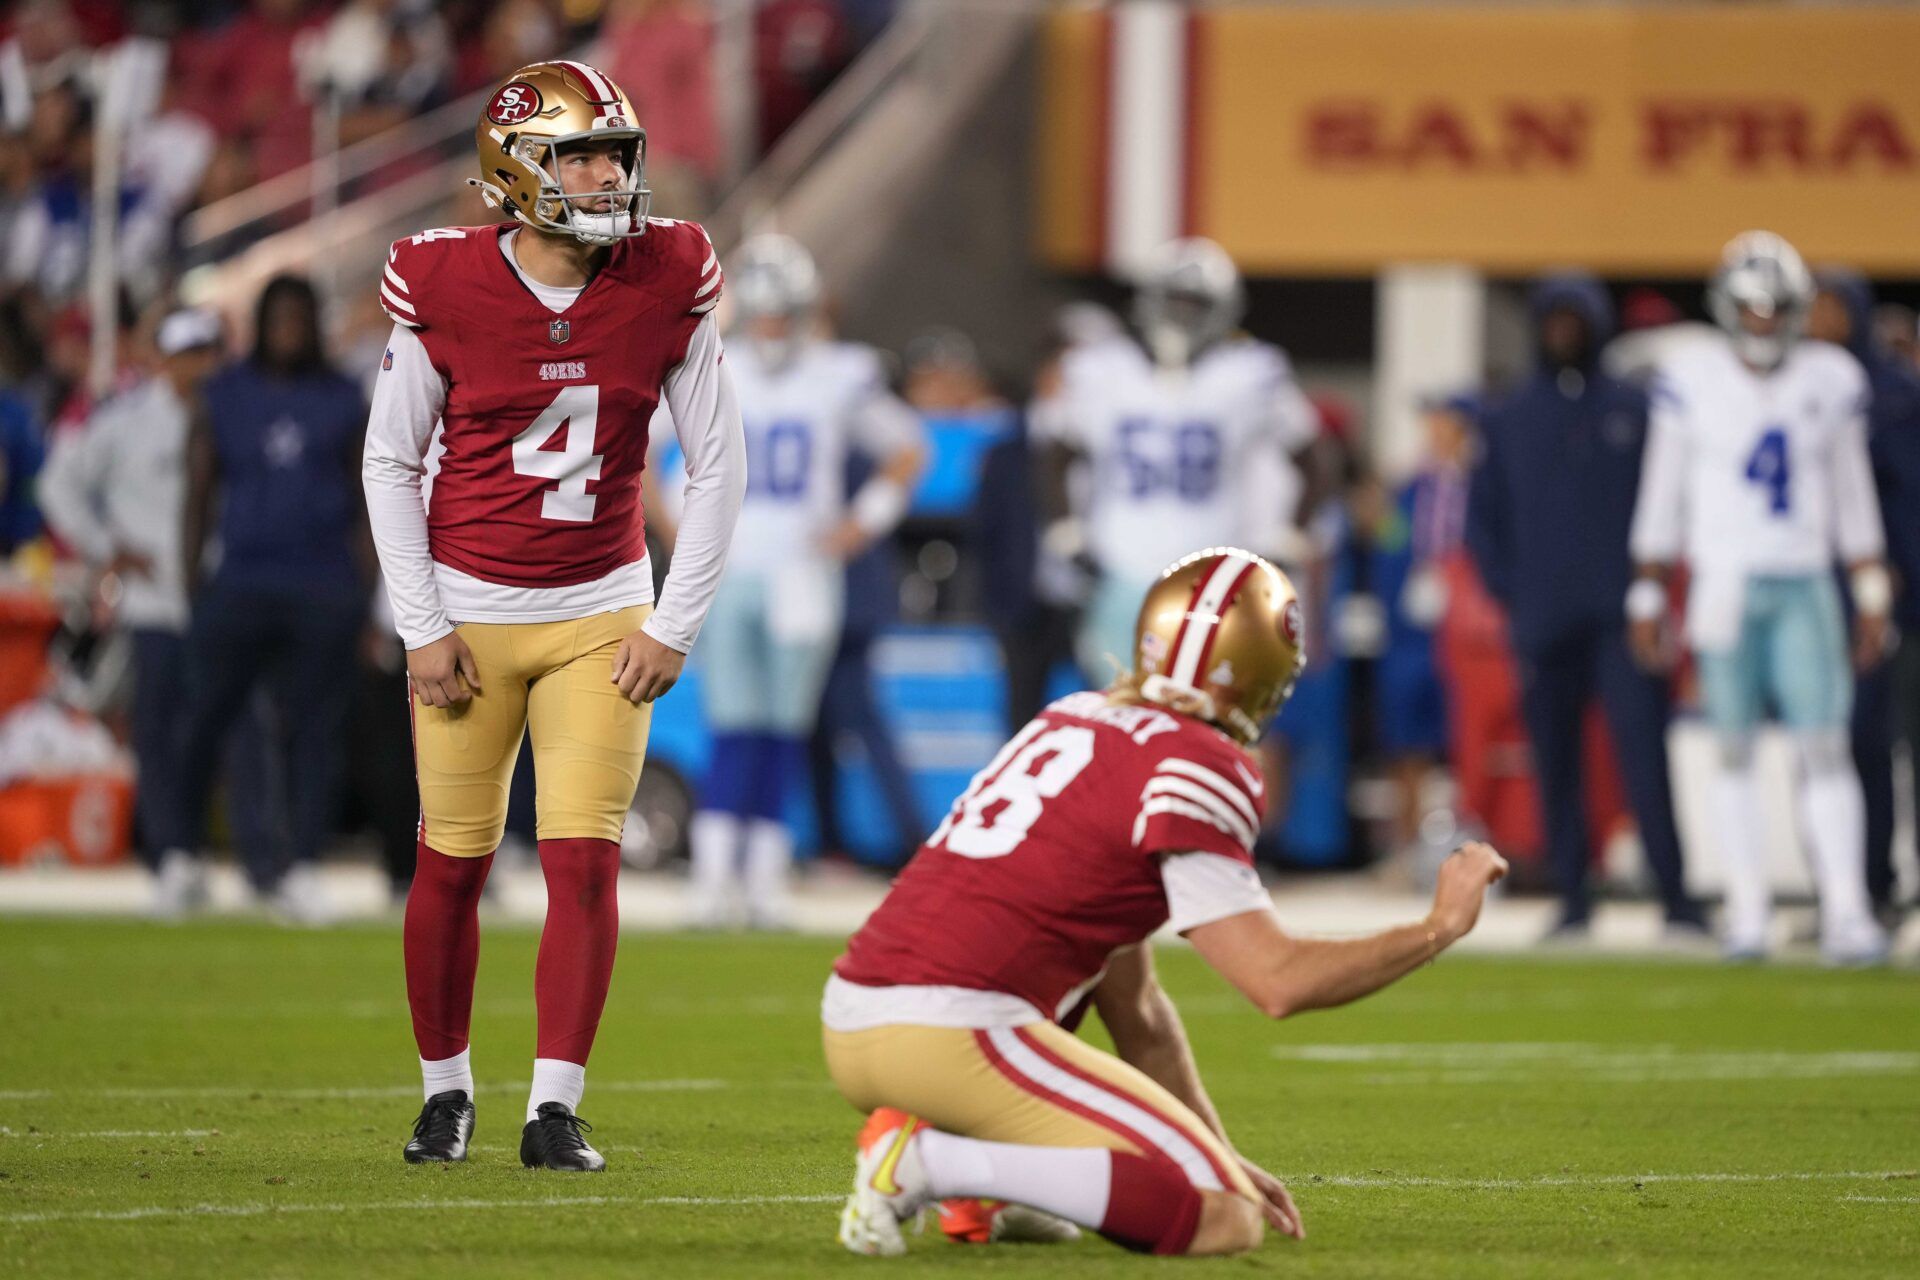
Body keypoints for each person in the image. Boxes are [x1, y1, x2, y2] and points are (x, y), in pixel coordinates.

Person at [824, 547, 1509, 1258]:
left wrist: (1208, 1152)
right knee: (1222, 1219)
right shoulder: (1198, 763)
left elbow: (1136, 1006)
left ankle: (1000, 1185)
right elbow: (1276, 981)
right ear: (1262, 679)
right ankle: (933, 1163)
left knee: (1203, 1175)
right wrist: (1436, 928)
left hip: (856, 1020)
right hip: (956, 1034)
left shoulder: (1075, 715)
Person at [361, 61, 746, 1171]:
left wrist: (674, 620)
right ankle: (444, 1093)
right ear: (514, 170)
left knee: (585, 862)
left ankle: (555, 1107)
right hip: (469, 613)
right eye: (578, 154)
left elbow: (716, 467)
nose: (603, 175)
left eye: (613, 154)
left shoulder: (669, 270)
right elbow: (391, 460)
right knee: (453, 864)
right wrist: (420, 622)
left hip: (599, 606)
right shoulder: (439, 279)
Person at [1630, 233, 1890, 964]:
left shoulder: (1829, 378)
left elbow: (1852, 496)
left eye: (1777, 309)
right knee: (1733, 752)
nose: (1765, 321)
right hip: (1723, 583)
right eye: (1752, 307)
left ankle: (1845, 910)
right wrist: (1647, 596)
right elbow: (1663, 494)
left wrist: (1869, 590)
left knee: (1825, 748)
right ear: (1727, 307)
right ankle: (1746, 911)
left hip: (1805, 575)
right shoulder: (1692, 377)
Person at [680, 232, 923, 927]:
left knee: (784, 729)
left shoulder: (841, 373)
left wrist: (860, 524)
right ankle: (711, 882)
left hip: (803, 573)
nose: (773, 327)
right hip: (727, 570)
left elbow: (909, 449)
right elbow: (644, 450)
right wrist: (674, 524)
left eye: (783, 313)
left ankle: (761, 883)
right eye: (763, 312)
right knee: (731, 725)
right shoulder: (712, 364)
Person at [1468, 273, 1703, 939]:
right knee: (1556, 762)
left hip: (1624, 615)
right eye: (1553, 321)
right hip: (1545, 619)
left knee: (1643, 756)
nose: (1564, 333)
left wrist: (1652, 594)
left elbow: (1668, 506)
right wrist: (1514, 592)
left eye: (1575, 321)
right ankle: (1574, 894)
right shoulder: (1511, 416)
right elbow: (1484, 519)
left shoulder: (1634, 407)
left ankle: (1676, 897)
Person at [158, 276, 368, 924]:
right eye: (278, 317)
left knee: (314, 733)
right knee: (200, 723)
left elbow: (368, 495)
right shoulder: (223, 394)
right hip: (242, 581)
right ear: (259, 323)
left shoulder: (343, 396)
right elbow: (199, 491)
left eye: (299, 317)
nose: (289, 328)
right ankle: (180, 857)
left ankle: (302, 865)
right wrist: (192, 584)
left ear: (314, 323)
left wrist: (364, 589)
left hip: (322, 585)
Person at [1034, 238, 1319, 684]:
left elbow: (1315, 456)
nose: (1182, 314)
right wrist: (1067, 532)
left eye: (1196, 303)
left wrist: (1290, 537)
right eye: (1175, 300)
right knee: (1119, 700)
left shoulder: (1252, 373)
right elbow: (1058, 451)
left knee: (1201, 705)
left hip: (1211, 571)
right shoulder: (1100, 369)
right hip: (1119, 562)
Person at [37, 308, 223, 912]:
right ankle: (170, 854)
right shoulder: (125, 422)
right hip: (152, 602)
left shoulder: (226, 418)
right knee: (159, 731)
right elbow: (57, 485)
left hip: (217, 598)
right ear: (160, 359)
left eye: (206, 351)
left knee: (205, 733)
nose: (198, 365)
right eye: (187, 353)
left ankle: (187, 849)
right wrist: (104, 548)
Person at [1810, 269, 1920, 927]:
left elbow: (1906, 499)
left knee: (1882, 742)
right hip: (1815, 588)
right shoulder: (1800, 388)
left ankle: (1878, 884)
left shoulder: (1894, 394)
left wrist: (1895, 574)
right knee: (1826, 743)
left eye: (1832, 310)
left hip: (1888, 595)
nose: (1822, 324)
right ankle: (1841, 888)